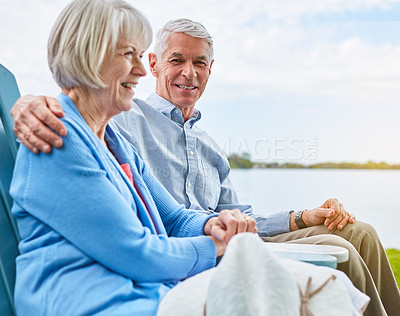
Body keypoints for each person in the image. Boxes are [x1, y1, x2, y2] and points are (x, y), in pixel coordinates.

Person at [11, 17, 399, 316]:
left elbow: (231, 216)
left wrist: (300, 217)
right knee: (334, 248)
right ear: (155, 63)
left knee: (357, 231)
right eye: (176, 60)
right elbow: (76, 108)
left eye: (200, 62)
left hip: (214, 241)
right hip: (192, 255)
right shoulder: (125, 119)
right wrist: (28, 103)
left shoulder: (207, 145)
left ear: (211, 70)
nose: (189, 72)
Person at [9, 1, 259, 314]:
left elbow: (175, 218)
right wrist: (216, 246)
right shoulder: (60, 139)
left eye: (140, 56)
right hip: (93, 305)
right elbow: (139, 253)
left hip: (146, 294)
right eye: (130, 55)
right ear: (89, 54)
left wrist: (213, 224)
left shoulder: (115, 142)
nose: (141, 70)